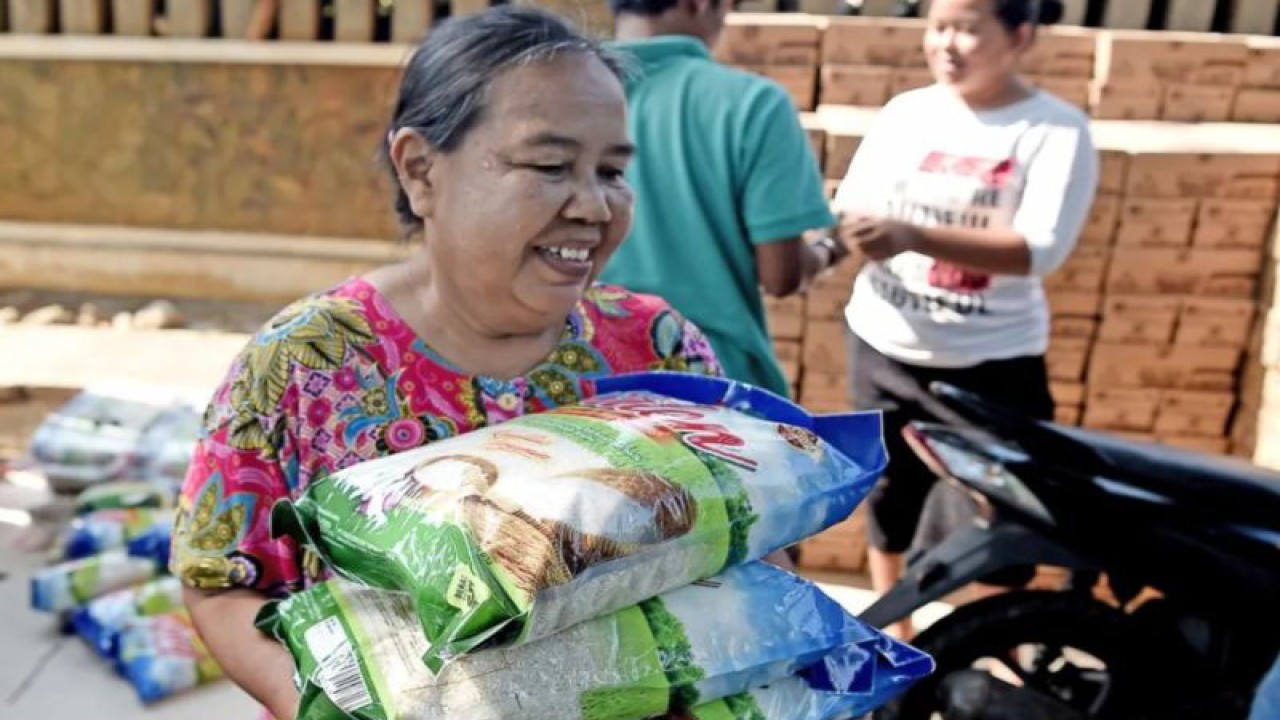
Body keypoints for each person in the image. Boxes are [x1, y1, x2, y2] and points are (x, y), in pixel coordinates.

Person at [168, 8, 725, 718]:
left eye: (611, 170)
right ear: (421, 170)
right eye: (552, 166)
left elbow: (748, 545)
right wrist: (329, 702)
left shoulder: (660, 352)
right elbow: (222, 579)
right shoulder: (306, 365)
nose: (593, 204)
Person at [831, 0, 1098, 638]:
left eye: (969, 29)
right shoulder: (906, 114)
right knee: (888, 495)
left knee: (1008, 509)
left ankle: (992, 637)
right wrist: (831, 238)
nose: (948, 44)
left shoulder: (1053, 130)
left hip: (991, 361)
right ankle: (895, 636)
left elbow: (1041, 249)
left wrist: (912, 234)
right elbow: (854, 206)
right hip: (885, 345)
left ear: (1020, 36)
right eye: (938, 27)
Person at [600, 0, 850, 400]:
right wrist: (830, 247)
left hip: (583, 369)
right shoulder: (754, 104)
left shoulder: (563, 98)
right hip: (711, 379)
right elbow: (781, 275)